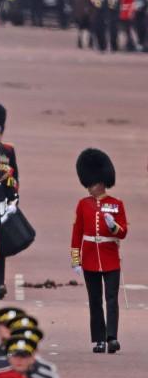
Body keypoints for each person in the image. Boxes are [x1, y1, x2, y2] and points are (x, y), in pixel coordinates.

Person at [71, 148, 127, 354]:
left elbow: (123, 233)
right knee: (95, 300)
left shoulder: (116, 204)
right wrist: (75, 259)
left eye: (92, 184)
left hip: (110, 257)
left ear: (102, 182)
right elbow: (76, 234)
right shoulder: (83, 205)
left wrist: (113, 226)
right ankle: (98, 339)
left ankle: (112, 337)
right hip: (90, 258)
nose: (89, 188)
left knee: (111, 299)